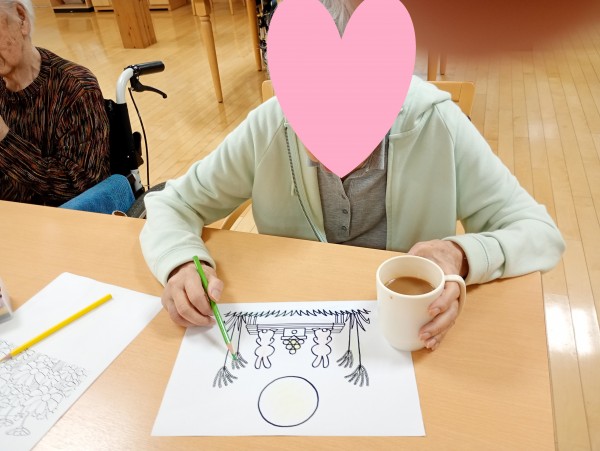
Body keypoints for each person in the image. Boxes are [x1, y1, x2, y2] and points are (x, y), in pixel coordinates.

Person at [139, 0, 565, 351]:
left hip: (407, 343)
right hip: (297, 332)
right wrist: (181, 263)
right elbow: (173, 202)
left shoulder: (438, 125)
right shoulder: (270, 126)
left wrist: (460, 255)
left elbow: (539, 232)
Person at [0, 0, 112, 207]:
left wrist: (4, 139)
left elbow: (79, 187)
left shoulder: (75, 88)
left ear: (21, 18)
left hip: (62, 220)